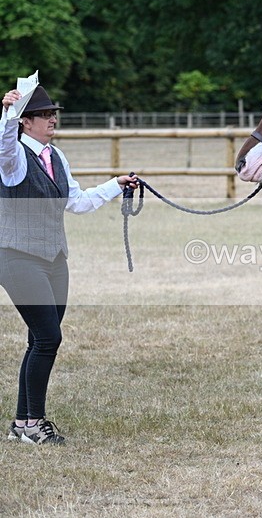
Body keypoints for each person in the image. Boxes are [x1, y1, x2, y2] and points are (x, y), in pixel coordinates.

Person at [1, 83, 139, 445]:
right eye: (45, 115)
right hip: (16, 256)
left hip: (54, 257)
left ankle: (21, 424)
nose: (52, 119)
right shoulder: (13, 156)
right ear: (26, 122)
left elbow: (76, 201)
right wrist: (7, 114)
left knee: (39, 339)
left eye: (53, 114)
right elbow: (4, 146)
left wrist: (115, 184)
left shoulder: (56, 157)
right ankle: (33, 423)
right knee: (49, 337)